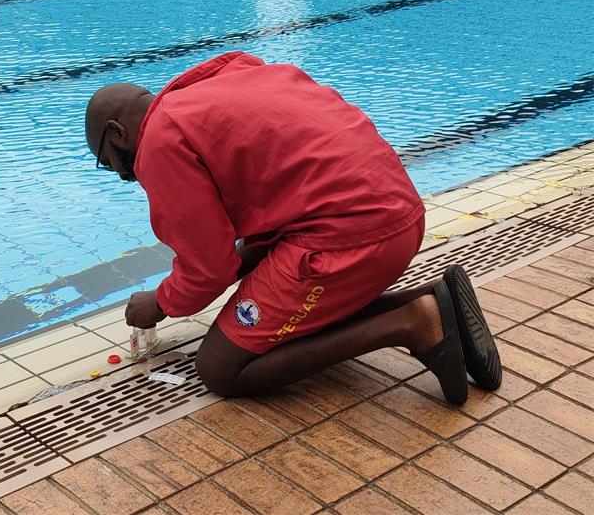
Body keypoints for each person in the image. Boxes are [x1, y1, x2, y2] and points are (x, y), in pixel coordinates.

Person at [85, 51, 501, 404]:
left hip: (349, 239)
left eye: (112, 164)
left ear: (117, 131)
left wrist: (159, 302)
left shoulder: (159, 143)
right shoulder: (227, 77)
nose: (125, 176)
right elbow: (275, 209)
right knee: (267, 320)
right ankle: (430, 297)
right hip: (398, 214)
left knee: (221, 367)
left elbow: (207, 269)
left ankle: (413, 322)